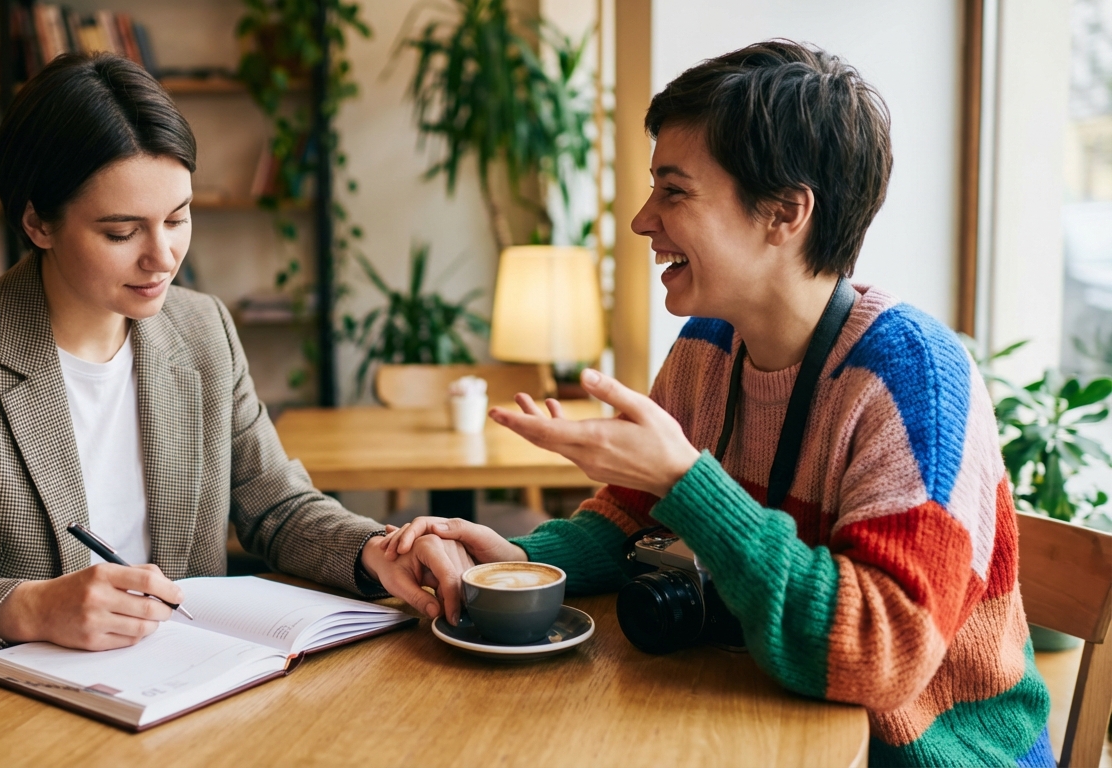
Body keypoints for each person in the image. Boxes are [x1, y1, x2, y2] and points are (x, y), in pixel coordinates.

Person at [381, 40, 1053, 767]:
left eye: (674, 191)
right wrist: (518, 562)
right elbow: (632, 520)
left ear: (785, 212)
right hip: (760, 718)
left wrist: (686, 481)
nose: (642, 220)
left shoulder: (913, 381)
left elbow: (875, 657)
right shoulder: (707, 347)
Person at [0, 53, 469, 767]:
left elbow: (277, 506)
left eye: (179, 219)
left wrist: (377, 550)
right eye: (121, 232)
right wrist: (28, 607)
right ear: (37, 221)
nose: (163, 258)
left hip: (174, 718)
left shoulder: (201, 329)